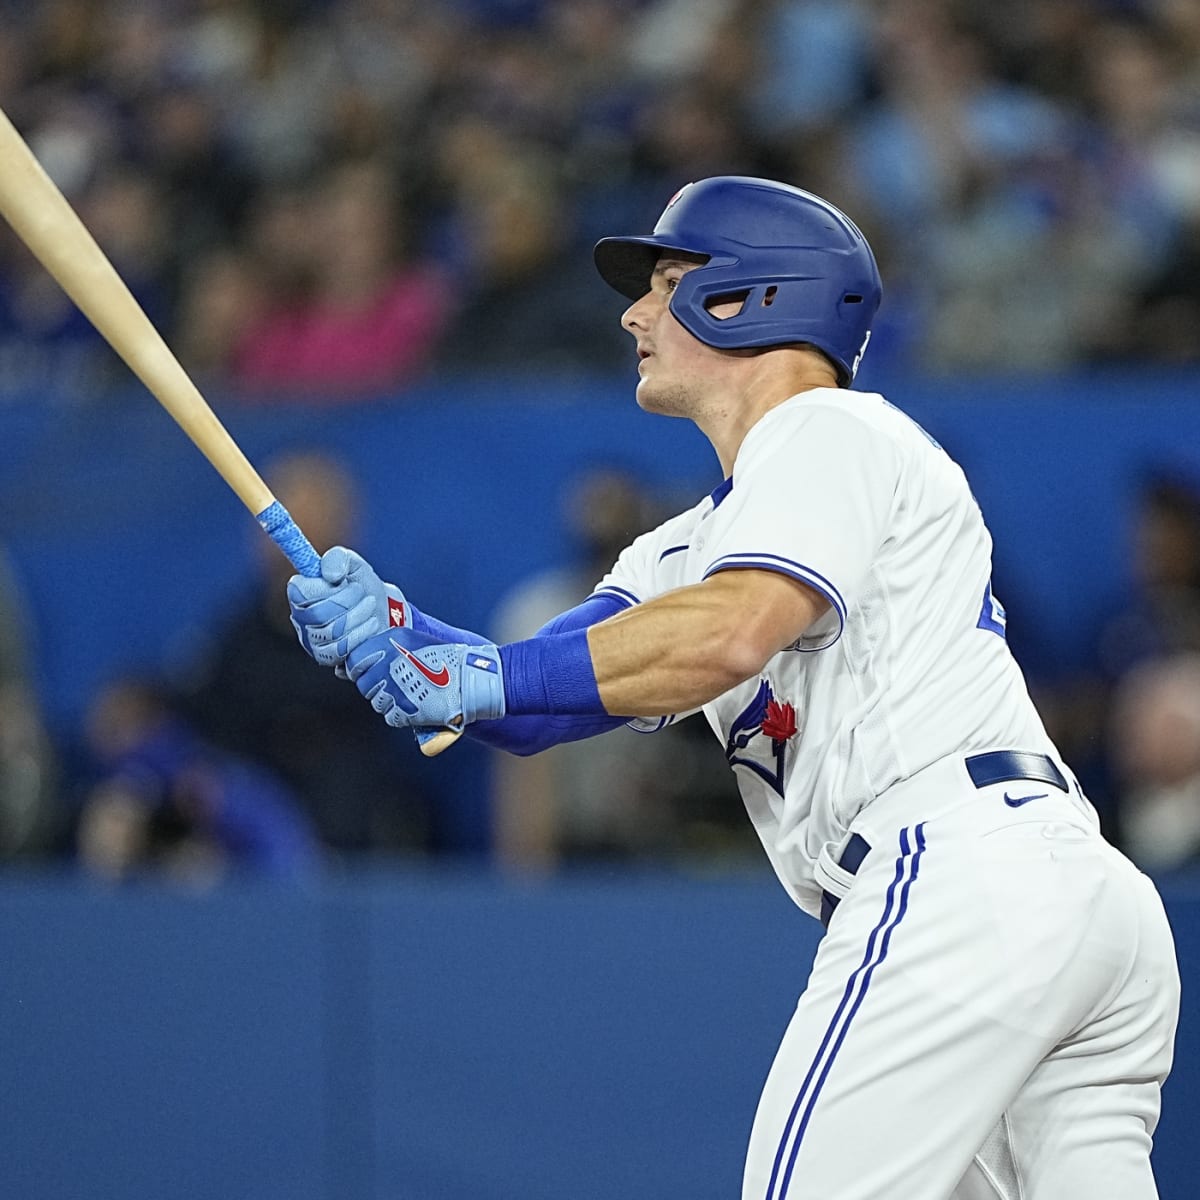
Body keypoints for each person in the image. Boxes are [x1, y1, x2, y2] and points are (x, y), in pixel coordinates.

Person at [283, 176, 1179, 1198]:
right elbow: (541, 695)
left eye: (666, 282)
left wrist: (474, 673)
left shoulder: (827, 431)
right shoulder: (697, 542)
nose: (632, 312)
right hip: (1064, 897)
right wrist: (398, 638)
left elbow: (734, 631)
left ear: (754, 298)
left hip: (960, 871)